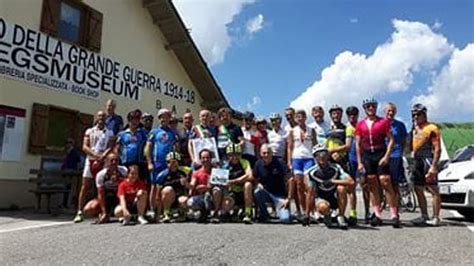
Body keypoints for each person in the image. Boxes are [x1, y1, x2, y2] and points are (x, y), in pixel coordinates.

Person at [355, 97, 398, 227]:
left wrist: (386, 156)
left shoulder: (383, 122)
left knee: (385, 181)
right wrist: (359, 162)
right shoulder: (360, 124)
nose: (371, 108)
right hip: (367, 155)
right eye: (368, 106)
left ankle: (394, 214)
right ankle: (377, 214)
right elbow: (357, 144)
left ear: (376, 107)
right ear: (365, 108)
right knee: (372, 183)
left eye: (373, 106)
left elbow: (391, 140)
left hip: (380, 153)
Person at [74, 110, 115, 223]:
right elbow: (84, 146)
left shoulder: (109, 132)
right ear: (96, 118)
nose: (101, 118)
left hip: (103, 161)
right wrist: (95, 155)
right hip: (90, 160)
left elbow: (110, 147)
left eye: (103, 116)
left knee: (101, 188)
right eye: (99, 116)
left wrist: (102, 157)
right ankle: (79, 211)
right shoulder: (89, 131)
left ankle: (102, 212)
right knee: (85, 186)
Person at [303, 144, 355, 229]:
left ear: (328, 155)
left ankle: (340, 216)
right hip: (321, 198)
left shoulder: (336, 168)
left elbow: (351, 182)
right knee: (323, 206)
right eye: (318, 155)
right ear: (315, 157)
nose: (321, 157)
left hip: (335, 196)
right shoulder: (311, 172)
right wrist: (307, 214)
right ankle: (327, 214)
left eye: (324, 154)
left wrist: (332, 181)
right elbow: (310, 193)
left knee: (341, 188)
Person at [410, 104, 442, 226]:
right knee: (418, 188)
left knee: (433, 189)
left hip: (428, 160)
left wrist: (434, 166)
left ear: (425, 114)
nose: (416, 116)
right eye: (414, 114)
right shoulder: (414, 129)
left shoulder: (432, 127)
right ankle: (424, 216)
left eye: (418, 114)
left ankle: (436, 217)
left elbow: (437, 148)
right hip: (417, 161)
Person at [325, 104, 357, 225]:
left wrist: (334, 151)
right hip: (332, 162)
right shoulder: (329, 130)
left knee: (350, 187)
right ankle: (337, 212)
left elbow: (348, 146)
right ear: (331, 115)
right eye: (333, 113)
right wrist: (328, 154)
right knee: (335, 188)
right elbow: (327, 145)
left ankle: (353, 213)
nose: (335, 115)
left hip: (344, 161)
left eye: (338, 113)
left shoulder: (347, 128)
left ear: (341, 114)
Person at [145, 108, 179, 220]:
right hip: (157, 163)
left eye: (167, 116)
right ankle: (152, 210)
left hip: (168, 164)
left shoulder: (173, 132)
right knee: (154, 187)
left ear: (169, 118)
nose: (164, 119)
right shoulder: (154, 132)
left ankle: (163, 211)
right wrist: (149, 162)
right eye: (162, 117)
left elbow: (176, 148)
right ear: (159, 118)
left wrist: (175, 162)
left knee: (166, 187)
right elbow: (148, 148)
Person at [211, 143, 253, 224]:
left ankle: (248, 213)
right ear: (228, 156)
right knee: (225, 205)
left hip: (243, 191)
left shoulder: (244, 162)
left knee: (248, 184)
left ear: (240, 154)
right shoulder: (224, 165)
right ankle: (217, 213)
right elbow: (218, 180)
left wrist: (234, 181)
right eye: (231, 155)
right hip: (231, 192)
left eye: (237, 154)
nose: (234, 157)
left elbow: (250, 176)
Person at [287, 110, 317, 216]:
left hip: (309, 159)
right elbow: (290, 147)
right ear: (295, 119)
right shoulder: (292, 131)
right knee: (299, 185)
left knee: (309, 185)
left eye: (301, 116)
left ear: (305, 118)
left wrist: (317, 160)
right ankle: (305, 210)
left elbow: (315, 146)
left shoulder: (311, 130)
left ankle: (312, 209)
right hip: (297, 159)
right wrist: (289, 162)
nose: (299, 119)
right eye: (297, 117)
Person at [83, 153, 128, 224]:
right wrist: (104, 212)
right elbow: (100, 194)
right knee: (88, 209)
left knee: (118, 211)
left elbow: (128, 186)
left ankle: (123, 212)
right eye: (111, 160)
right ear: (107, 162)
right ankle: (104, 214)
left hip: (119, 197)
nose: (114, 162)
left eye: (116, 160)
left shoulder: (124, 170)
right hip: (106, 197)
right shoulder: (101, 175)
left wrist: (119, 180)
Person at [253, 144, 293, 223]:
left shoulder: (280, 162)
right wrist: (257, 184)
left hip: (279, 195)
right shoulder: (258, 164)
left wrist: (289, 198)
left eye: (268, 153)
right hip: (266, 193)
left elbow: (291, 179)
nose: (266, 155)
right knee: (257, 192)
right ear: (260, 154)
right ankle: (264, 215)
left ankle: (289, 214)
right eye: (264, 153)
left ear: (272, 153)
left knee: (285, 220)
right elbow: (253, 178)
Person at [346, 106, 371, 223]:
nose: (352, 116)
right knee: (351, 187)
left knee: (365, 186)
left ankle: (367, 212)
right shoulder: (347, 127)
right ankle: (353, 213)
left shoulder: (362, 125)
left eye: (354, 114)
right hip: (351, 159)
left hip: (363, 159)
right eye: (350, 114)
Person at [153, 152, 192, 223]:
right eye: (170, 162)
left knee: (184, 200)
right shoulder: (162, 175)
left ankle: (182, 213)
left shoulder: (185, 172)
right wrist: (158, 214)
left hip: (180, 196)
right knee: (168, 190)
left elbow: (190, 187)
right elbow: (157, 195)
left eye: (175, 162)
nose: (172, 164)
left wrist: (186, 184)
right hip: (168, 198)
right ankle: (166, 212)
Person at [384, 103, 408, 212]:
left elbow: (404, 141)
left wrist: (400, 153)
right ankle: (383, 204)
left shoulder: (400, 125)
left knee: (394, 182)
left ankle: (396, 207)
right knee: (383, 181)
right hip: (383, 155)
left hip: (395, 155)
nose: (390, 113)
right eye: (389, 110)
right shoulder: (380, 123)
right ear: (385, 111)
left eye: (393, 111)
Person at [116, 110, 148, 181]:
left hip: (139, 162)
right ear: (128, 120)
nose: (134, 122)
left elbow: (148, 145)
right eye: (132, 119)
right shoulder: (122, 134)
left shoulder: (143, 133)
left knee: (139, 183)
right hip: (125, 162)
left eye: (137, 119)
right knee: (125, 181)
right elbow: (117, 148)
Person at [187, 149, 215, 222]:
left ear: (211, 159)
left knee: (215, 192)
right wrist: (186, 184)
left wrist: (206, 188)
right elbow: (192, 186)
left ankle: (216, 214)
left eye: (207, 158)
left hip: (214, 196)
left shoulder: (216, 170)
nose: (205, 160)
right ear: (200, 159)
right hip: (201, 196)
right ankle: (203, 212)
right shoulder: (196, 173)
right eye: (203, 158)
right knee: (190, 202)